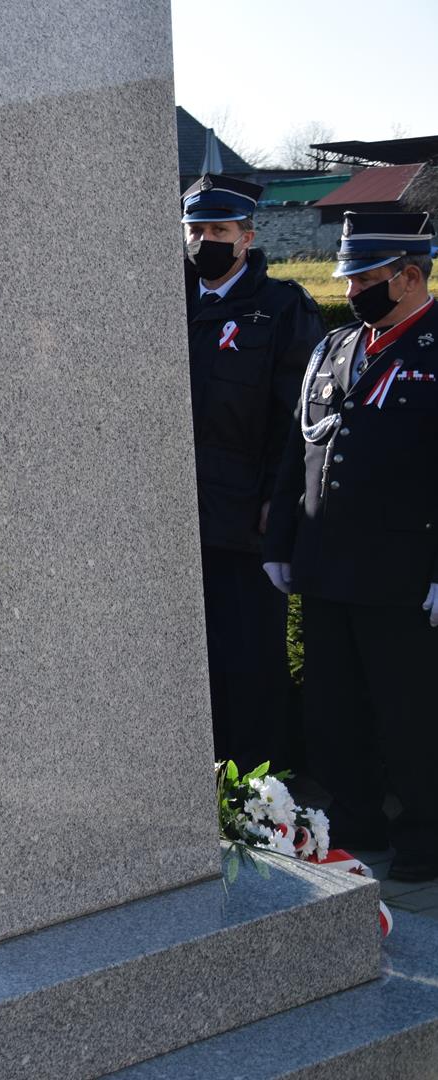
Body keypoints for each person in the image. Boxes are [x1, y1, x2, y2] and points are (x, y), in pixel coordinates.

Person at [263, 210, 438, 884]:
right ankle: (358, 821)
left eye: (366, 277)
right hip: (326, 562)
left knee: (409, 712)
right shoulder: (336, 346)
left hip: (402, 572)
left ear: (410, 275)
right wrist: (281, 539)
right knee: (335, 711)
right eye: (351, 276)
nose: (354, 288)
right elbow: (298, 449)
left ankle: (423, 835)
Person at [179, 173, 322, 771]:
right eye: (195, 230)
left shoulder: (281, 309)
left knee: (250, 659)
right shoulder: (161, 301)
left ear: (246, 237)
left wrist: (276, 498)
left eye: (218, 230)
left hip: (244, 517)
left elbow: (299, 418)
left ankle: (260, 791)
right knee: (187, 661)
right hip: (172, 514)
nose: (204, 241)